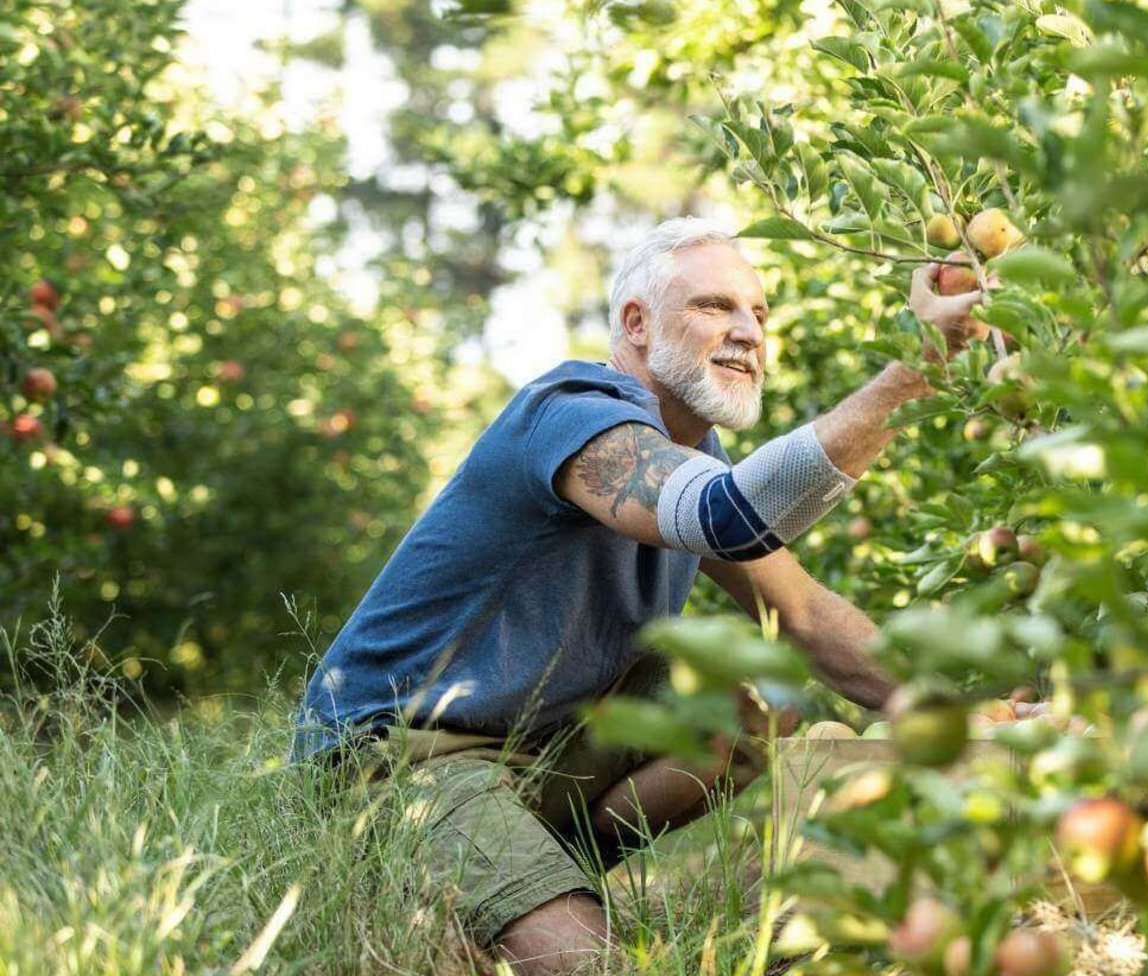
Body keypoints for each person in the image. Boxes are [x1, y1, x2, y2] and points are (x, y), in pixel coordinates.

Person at [294, 216, 987, 974]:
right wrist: (918, 366)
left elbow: (807, 616)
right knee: (594, 968)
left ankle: (533, 878)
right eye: (714, 306)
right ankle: (475, 892)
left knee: (753, 701)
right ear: (636, 323)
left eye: (760, 313)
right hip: (405, 754)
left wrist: (957, 722)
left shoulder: (696, 454)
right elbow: (724, 512)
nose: (749, 331)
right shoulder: (572, 415)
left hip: (540, 746)